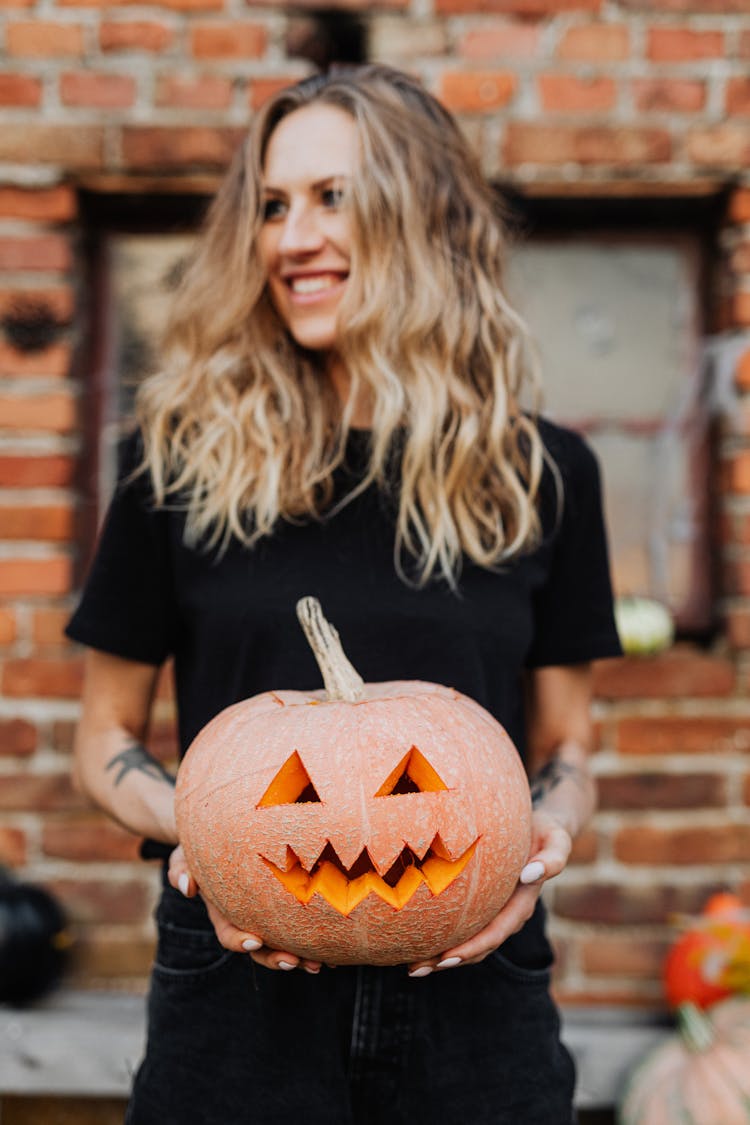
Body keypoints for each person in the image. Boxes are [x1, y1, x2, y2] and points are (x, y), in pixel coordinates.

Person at [66, 64, 622, 1125]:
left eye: (334, 198)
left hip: (474, 987)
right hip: (234, 995)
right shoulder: (176, 462)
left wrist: (537, 848)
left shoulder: (542, 473)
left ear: (428, 217)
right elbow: (102, 740)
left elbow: (567, 748)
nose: (291, 238)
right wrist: (213, 838)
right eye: (271, 206)